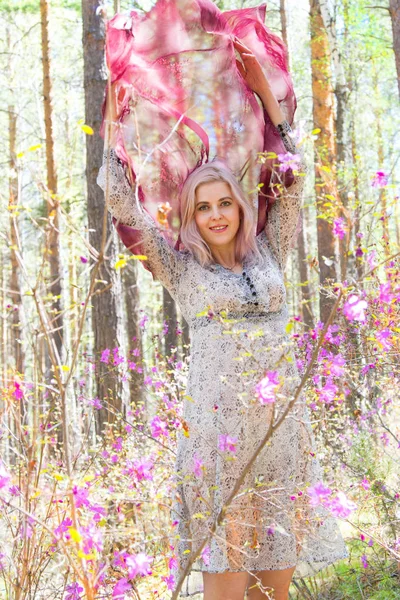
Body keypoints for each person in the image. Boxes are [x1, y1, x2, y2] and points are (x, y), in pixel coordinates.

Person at [97, 30, 347, 600]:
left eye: (224, 202)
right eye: (202, 206)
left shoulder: (269, 250)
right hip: (219, 439)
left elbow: (290, 180)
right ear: (190, 215)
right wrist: (114, 119)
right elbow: (118, 197)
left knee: (274, 590)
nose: (215, 214)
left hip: (283, 432)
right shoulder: (179, 266)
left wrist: (271, 104)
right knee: (228, 588)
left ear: (240, 206)